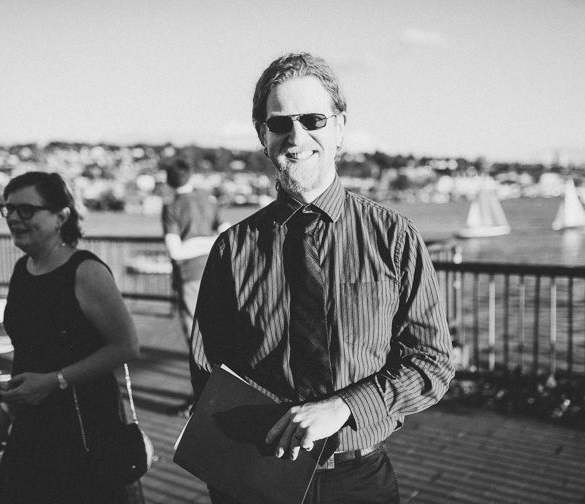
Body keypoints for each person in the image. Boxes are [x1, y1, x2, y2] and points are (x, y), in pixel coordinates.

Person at [189, 52, 455, 504]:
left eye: (313, 119)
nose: (297, 137)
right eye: (280, 123)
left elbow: (432, 362)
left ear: (340, 128)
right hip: (258, 474)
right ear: (262, 134)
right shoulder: (232, 250)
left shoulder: (393, 237)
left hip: (359, 478)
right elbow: (207, 373)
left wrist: (344, 406)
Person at [0, 172, 140, 504]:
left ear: (61, 217)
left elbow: (127, 346)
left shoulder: (85, 271)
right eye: (8, 209)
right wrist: (8, 408)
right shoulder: (22, 269)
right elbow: (28, 351)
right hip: (32, 420)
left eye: (26, 210)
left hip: (82, 422)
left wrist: (55, 380)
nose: (13, 218)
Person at [160, 158, 228, 415]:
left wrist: (195, 243)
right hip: (216, 273)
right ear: (190, 175)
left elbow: (175, 252)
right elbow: (226, 232)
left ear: (168, 180)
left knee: (197, 342)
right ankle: (218, 396)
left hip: (190, 277)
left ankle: (201, 401)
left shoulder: (172, 207)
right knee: (217, 336)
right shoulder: (208, 199)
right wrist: (209, 241)